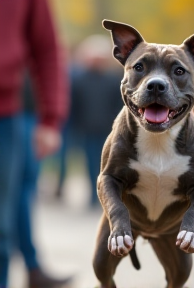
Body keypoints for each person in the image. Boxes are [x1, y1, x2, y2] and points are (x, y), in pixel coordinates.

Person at [0, 0, 71, 287]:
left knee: (5, 217)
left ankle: (31, 266)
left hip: (5, 117)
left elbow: (47, 48)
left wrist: (51, 118)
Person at [55, 35, 123, 206]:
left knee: (107, 165)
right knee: (90, 162)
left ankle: (104, 195)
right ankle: (94, 195)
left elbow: (118, 106)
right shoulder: (78, 80)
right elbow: (74, 105)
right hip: (85, 128)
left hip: (107, 129)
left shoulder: (113, 80)